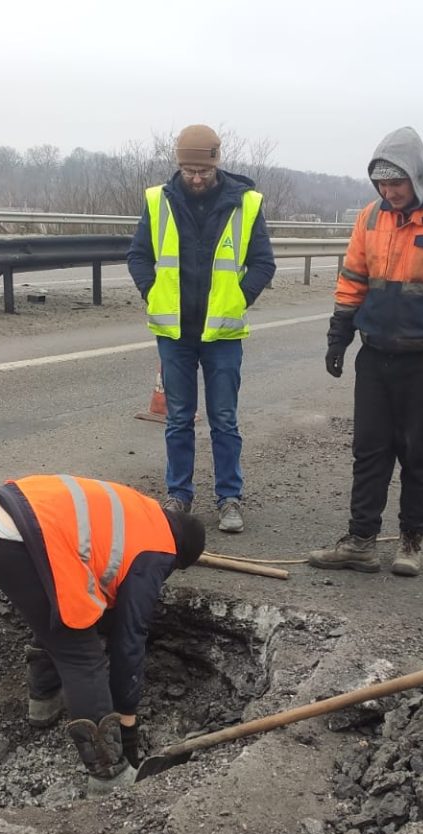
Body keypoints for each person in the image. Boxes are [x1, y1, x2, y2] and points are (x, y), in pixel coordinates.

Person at [307, 126, 423, 578]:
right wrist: (339, 335)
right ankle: (361, 541)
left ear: (418, 176)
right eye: (381, 184)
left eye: (396, 183)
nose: (388, 193)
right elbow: (353, 279)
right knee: (369, 451)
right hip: (377, 356)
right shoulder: (371, 218)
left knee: (418, 452)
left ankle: (411, 540)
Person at [0, 474, 206, 795]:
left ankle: (43, 704)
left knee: (64, 613)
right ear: (178, 556)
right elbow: (129, 639)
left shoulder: (144, 511)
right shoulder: (158, 551)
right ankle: (109, 774)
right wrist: (127, 718)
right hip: (17, 537)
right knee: (81, 654)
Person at [126, 124, 277, 534]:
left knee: (224, 418)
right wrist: (152, 291)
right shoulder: (159, 201)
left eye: (202, 171)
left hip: (222, 336)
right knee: (178, 418)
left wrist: (237, 298)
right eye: (188, 170)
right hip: (174, 332)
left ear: (216, 164)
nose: (195, 178)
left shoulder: (244, 203)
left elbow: (264, 262)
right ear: (179, 164)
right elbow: (139, 255)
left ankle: (229, 498)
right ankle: (179, 495)